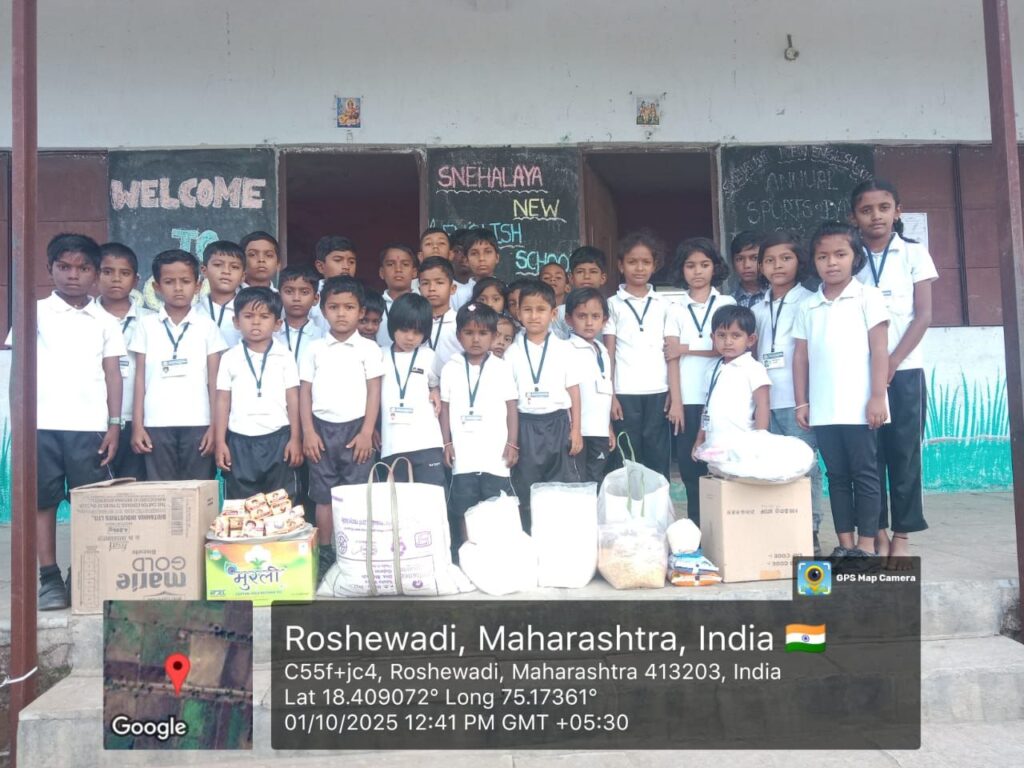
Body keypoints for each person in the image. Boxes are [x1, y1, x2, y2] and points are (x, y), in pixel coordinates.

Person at [6, 234, 125, 609]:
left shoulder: (105, 320)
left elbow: (113, 375)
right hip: (40, 426)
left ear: (95, 274)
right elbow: (17, 370)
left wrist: (114, 424)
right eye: (64, 267)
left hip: (90, 428)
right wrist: (20, 424)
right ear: (50, 269)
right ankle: (50, 578)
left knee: (88, 503)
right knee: (43, 502)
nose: (73, 275)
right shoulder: (33, 312)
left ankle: (83, 573)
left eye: (83, 268)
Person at [851, 179, 938, 561]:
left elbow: (924, 316)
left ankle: (902, 534)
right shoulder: (849, 258)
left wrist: (894, 361)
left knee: (904, 455)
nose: (876, 216)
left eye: (884, 208)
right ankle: (878, 531)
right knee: (869, 458)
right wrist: (876, 366)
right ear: (854, 217)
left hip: (904, 371)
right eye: (866, 210)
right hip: (861, 373)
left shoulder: (914, 253)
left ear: (897, 211)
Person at [793, 221, 890, 558]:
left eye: (840, 254)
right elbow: (801, 356)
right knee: (836, 476)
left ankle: (866, 545)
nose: (831, 262)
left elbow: (880, 350)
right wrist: (802, 402)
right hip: (824, 408)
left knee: (865, 474)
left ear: (855, 257)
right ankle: (845, 544)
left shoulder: (868, 296)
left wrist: (877, 396)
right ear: (814, 261)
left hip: (861, 406)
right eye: (822, 256)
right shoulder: (808, 305)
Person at [300, 276, 383, 580]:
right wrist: (308, 432)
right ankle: (325, 552)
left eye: (349, 307)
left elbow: (374, 392)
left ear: (361, 311)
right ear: (322, 310)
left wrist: (367, 432)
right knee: (323, 495)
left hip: (357, 431)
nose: (341, 313)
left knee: (357, 494)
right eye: (334, 307)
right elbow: (304, 393)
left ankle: (357, 552)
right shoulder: (314, 348)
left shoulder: (369, 349)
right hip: (321, 431)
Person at [751, 230, 825, 554]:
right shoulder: (757, 308)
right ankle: (779, 529)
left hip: (798, 402)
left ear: (799, 261)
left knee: (805, 466)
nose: (777, 265)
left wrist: (804, 401)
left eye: (785, 258)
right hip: (765, 402)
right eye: (769, 260)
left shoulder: (810, 302)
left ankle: (810, 529)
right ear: (760, 266)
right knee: (771, 467)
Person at [130, 249, 227, 481]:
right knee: (161, 491)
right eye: (169, 282)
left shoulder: (207, 326)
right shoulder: (146, 325)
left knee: (197, 489)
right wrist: (137, 426)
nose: (178, 288)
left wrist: (215, 427)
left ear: (198, 285)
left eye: (185, 281)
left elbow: (215, 381)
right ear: (156, 287)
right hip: (155, 423)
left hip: (199, 422)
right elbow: (140, 379)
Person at [440, 303, 518, 556]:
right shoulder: (450, 367)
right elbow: (444, 408)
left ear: (494, 336)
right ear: (458, 335)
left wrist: (512, 443)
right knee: (464, 506)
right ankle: (468, 553)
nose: (476, 339)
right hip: (463, 454)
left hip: (495, 454)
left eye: (483, 333)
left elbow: (511, 407)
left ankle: (495, 553)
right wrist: (446, 443)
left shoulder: (502, 367)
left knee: (496, 503)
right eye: (469, 333)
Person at [666, 237, 735, 525]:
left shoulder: (727, 303)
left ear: (714, 267)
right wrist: (676, 402)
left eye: (704, 265)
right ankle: (697, 528)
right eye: (690, 265)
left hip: (721, 399)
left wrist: (686, 348)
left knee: (719, 464)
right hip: (688, 399)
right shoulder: (674, 306)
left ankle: (723, 528)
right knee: (690, 465)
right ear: (681, 269)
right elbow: (670, 355)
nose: (697, 271)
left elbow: (728, 348)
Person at [505, 280, 583, 531]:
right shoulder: (511, 352)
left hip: (557, 422)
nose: (534, 315)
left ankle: (556, 536)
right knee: (526, 484)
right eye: (527, 309)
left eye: (541, 309)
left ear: (553, 313)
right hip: (525, 423)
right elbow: (509, 399)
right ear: (518, 313)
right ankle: (530, 536)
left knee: (559, 485)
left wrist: (576, 430)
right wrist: (511, 440)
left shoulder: (565, 349)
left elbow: (574, 392)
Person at [214, 287, 302, 501]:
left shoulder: (285, 356)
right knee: (243, 504)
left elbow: (293, 398)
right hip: (239, 441)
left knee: (280, 503)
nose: (256, 322)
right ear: (236, 321)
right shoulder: (229, 358)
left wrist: (295, 438)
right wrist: (220, 442)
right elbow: (222, 401)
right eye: (248, 316)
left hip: (278, 438)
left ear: (277, 324)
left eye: (264, 316)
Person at [604, 229, 679, 478]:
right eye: (632, 261)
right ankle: (629, 503)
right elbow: (609, 354)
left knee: (658, 456)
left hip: (658, 391)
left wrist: (673, 393)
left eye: (646, 262)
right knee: (627, 456)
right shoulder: (612, 304)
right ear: (620, 265)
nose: (639, 268)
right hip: (624, 392)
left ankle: (659, 502)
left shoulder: (665, 304)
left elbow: (671, 352)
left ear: (654, 265)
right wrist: (611, 395)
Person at [96, 242, 153, 481]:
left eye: (125, 273)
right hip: (97, 419)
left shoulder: (151, 321)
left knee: (135, 488)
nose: (116, 279)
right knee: (97, 488)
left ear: (136, 280)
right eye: (107, 271)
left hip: (139, 419)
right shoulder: (87, 318)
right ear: (95, 274)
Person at [379, 293, 445, 485]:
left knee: (430, 497)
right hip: (392, 444)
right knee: (397, 500)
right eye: (404, 329)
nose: (410, 337)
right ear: (392, 325)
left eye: (417, 332)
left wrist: (436, 390)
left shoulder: (429, 355)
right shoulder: (379, 355)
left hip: (427, 442)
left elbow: (439, 384)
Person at [690, 305, 770, 457]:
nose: (728, 342)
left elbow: (763, 405)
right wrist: (700, 439)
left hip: (743, 446)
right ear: (713, 338)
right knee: (716, 473)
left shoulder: (754, 368)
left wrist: (760, 441)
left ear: (751, 339)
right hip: (714, 445)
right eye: (721, 335)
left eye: (736, 336)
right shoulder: (712, 370)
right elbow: (707, 407)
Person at [566, 288, 615, 484]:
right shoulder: (566, 349)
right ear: (569, 319)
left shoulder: (603, 350)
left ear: (604, 320)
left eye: (595, 316)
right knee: (579, 481)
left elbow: (604, 394)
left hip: (599, 430)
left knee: (596, 479)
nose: (589, 322)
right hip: (579, 432)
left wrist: (608, 427)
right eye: (582, 316)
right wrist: (574, 430)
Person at [417, 256, 463, 374]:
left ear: (452, 288)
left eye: (439, 282)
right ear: (419, 289)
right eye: (425, 283)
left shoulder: (461, 323)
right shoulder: (414, 323)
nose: (432, 288)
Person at [275, 265, 324, 370]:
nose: (296, 298)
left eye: (304, 292)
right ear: (279, 296)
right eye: (289, 291)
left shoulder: (321, 336)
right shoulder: (271, 334)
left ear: (316, 299)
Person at [200, 240, 245, 347]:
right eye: (218, 265)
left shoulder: (248, 311)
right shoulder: (195, 310)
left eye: (234, 267)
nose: (226, 271)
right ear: (204, 270)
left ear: (243, 276)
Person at [311, 235, 358, 332]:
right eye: (338, 260)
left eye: (351, 262)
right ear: (320, 266)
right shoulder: (309, 297)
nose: (346, 267)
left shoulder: (361, 296)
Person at [375, 243, 419, 347]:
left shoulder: (423, 304)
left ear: (414, 272)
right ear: (381, 272)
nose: (398, 269)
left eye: (405, 264)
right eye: (390, 264)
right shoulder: (374, 305)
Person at [729, 230, 763, 309]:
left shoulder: (777, 297)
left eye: (754, 258)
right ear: (733, 263)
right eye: (740, 259)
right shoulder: (729, 302)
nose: (747, 265)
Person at [540, 262, 572, 340]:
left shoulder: (570, 312)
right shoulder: (535, 313)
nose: (552, 279)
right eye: (546, 278)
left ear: (567, 287)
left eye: (558, 277)